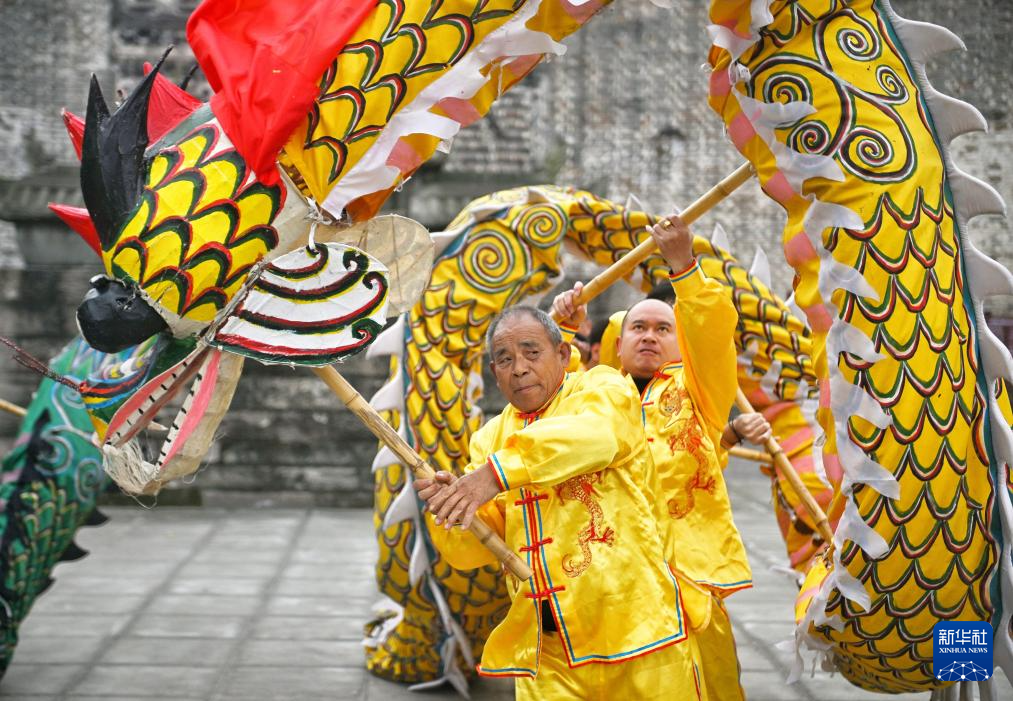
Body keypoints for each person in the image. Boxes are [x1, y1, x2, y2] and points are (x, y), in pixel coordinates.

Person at [414, 305, 705, 700]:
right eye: (504, 359)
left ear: (563, 356)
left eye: (532, 353)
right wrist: (451, 508)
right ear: (494, 372)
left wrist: (495, 475)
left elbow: (598, 436)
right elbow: (470, 553)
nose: (518, 368)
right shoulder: (488, 439)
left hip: (641, 635)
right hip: (549, 651)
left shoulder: (603, 389)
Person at [552, 215, 767, 701]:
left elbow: (711, 332)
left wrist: (682, 264)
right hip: (606, 578)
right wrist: (563, 330)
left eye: (663, 328)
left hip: (684, 580)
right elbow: (544, 399)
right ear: (618, 343)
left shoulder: (698, 393)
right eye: (638, 328)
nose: (649, 336)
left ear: (680, 342)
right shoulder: (589, 397)